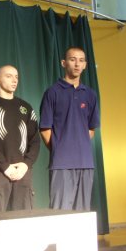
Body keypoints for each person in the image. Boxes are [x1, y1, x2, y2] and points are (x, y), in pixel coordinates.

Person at [39, 47, 100, 211]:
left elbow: (91, 129)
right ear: (64, 63)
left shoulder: (90, 94)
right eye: (73, 59)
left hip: (85, 163)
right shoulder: (52, 92)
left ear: (85, 65)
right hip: (61, 164)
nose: (77, 64)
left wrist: (79, 147)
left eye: (81, 60)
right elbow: (45, 129)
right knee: (61, 212)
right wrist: (59, 149)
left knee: (82, 212)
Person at [0, 65, 40, 212]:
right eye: (9, 76)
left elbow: (35, 140)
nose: (14, 80)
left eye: (16, 77)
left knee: (23, 218)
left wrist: (26, 164)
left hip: (22, 171)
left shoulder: (26, 107)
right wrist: (4, 166)